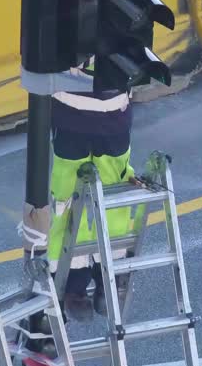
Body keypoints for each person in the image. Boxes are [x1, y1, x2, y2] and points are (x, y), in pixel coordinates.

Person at [46, 56, 138, 321]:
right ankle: (80, 283)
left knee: (96, 194)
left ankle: (98, 279)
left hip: (97, 114)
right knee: (75, 196)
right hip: (81, 115)